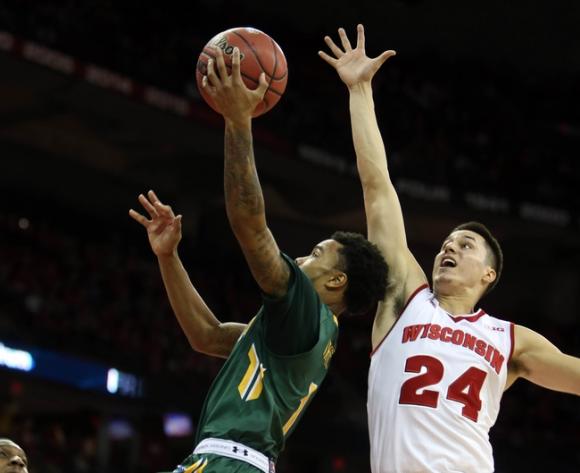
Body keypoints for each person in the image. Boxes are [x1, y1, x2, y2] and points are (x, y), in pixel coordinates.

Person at [320, 24, 580, 473]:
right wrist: (360, 90)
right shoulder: (406, 298)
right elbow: (377, 189)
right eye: (446, 243)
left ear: (489, 274)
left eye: (465, 244)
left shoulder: (509, 340)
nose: (449, 248)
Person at [130, 45, 389, 473]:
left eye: (316, 253)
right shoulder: (297, 333)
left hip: (229, 463)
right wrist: (168, 256)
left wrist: (238, 120)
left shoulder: (305, 311)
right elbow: (207, 336)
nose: (303, 258)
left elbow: (250, 225)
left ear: (337, 282)